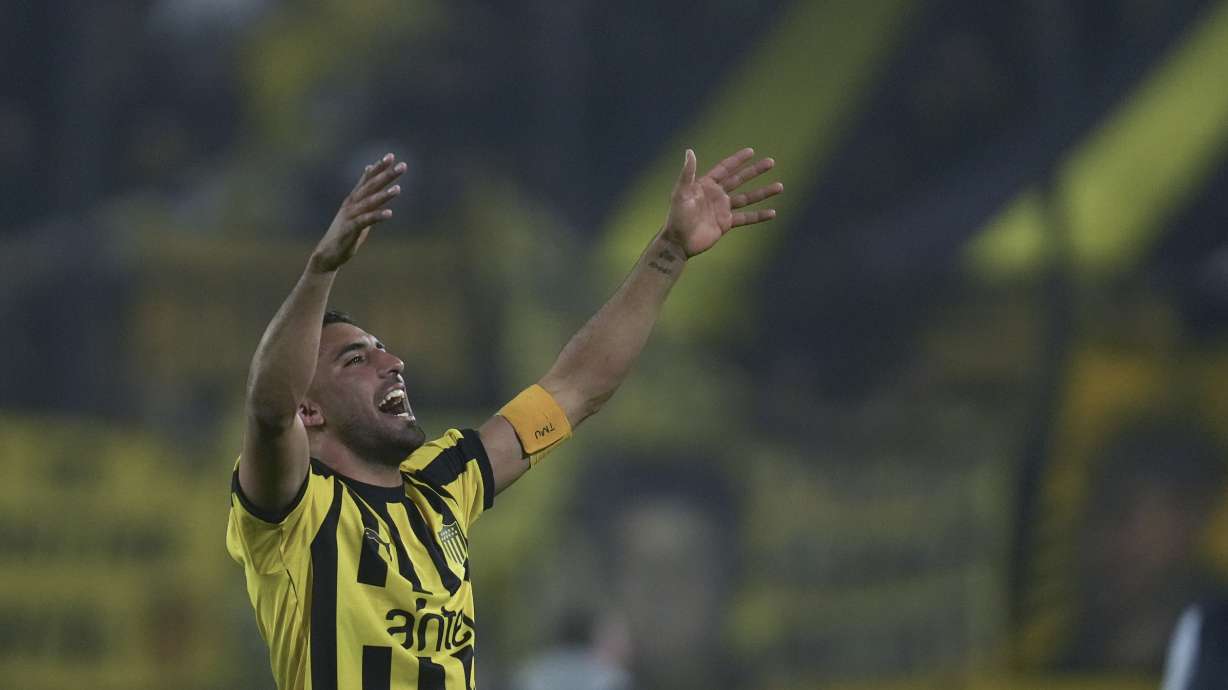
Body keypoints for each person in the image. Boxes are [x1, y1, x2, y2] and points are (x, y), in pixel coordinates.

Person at [225, 147, 783, 689]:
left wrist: (668, 253)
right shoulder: (295, 510)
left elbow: (575, 388)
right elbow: (269, 409)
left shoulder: (444, 483)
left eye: (383, 349)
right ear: (310, 409)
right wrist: (322, 269)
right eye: (357, 359)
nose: (392, 364)